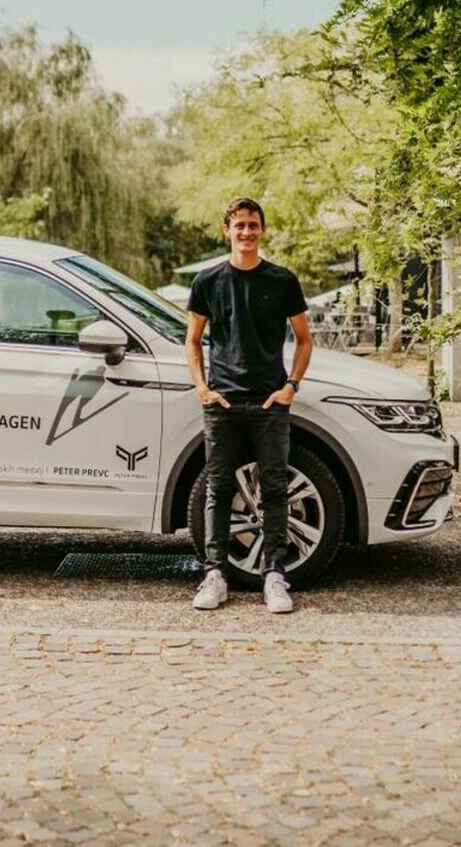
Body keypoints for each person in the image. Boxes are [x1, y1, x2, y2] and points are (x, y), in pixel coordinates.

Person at [183, 197, 313, 613]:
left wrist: (290, 386)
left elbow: (304, 340)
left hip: (269, 401)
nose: (246, 232)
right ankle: (215, 575)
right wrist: (202, 388)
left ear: (262, 230)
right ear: (227, 230)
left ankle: (274, 575)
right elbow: (192, 340)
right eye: (239, 225)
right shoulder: (208, 281)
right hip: (222, 401)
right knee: (218, 488)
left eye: (253, 225)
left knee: (273, 488)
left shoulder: (282, 280)